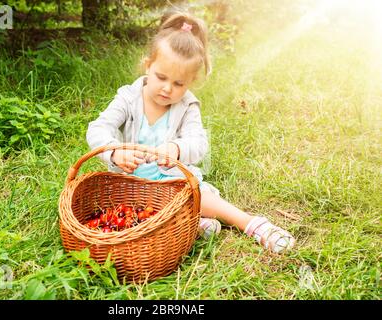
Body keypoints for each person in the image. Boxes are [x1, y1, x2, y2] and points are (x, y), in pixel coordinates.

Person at [86, 11, 295, 253]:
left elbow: (199, 143)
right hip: (130, 184)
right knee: (117, 207)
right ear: (147, 66)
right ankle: (190, 224)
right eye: (161, 77)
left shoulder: (187, 106)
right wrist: (115, 151)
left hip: (170, 181)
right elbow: (98, 128)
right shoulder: (128, 97)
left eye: (178, 84)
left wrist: (177, 149)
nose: (167, 89)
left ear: (191, 81)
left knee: (199, 196)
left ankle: (251, 224)